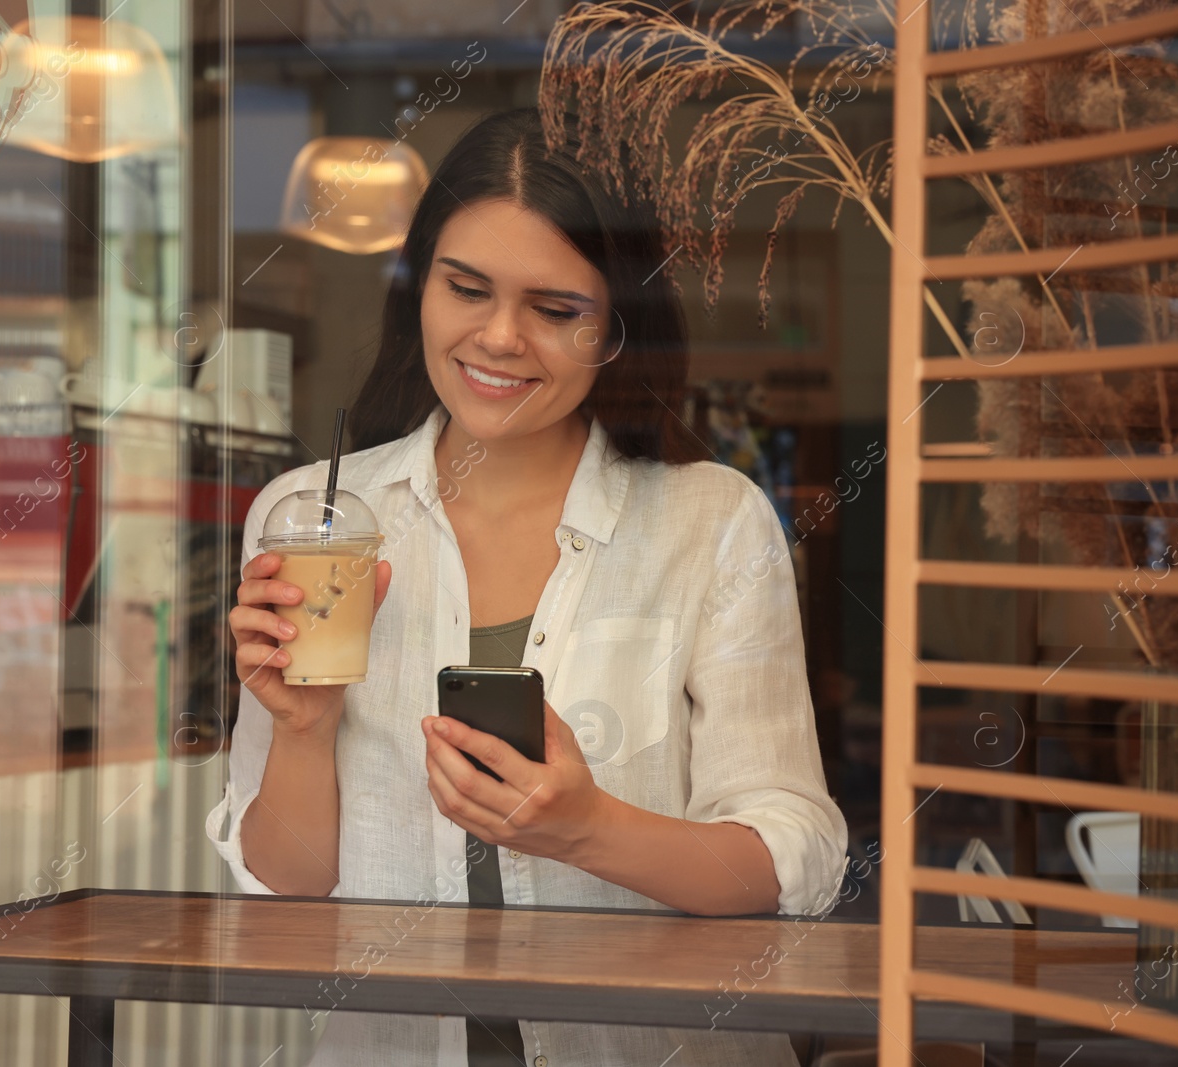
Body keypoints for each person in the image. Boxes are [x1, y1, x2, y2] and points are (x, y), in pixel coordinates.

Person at [205, 108, 848, 1067]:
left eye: (556, 311)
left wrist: (590, 830)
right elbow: (290, 890)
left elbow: (795, 859)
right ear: (417, 286)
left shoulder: (711, 522)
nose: (499, 338)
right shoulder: (311, 517)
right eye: (466, 288)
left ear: (618, 327)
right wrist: (301, 731)